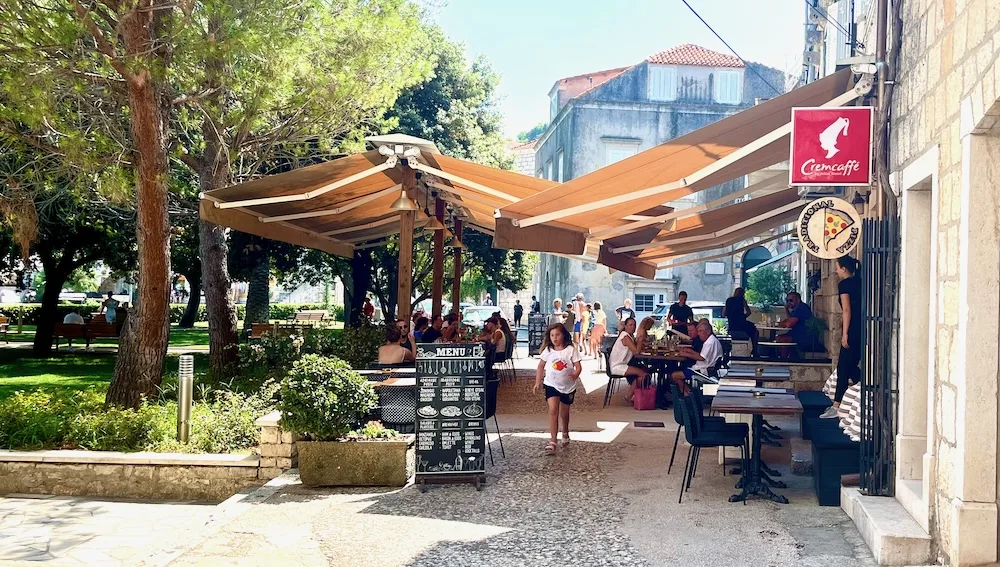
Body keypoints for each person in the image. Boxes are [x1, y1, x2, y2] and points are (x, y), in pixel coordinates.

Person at [822, 257, 863, 418]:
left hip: (852, 328)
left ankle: (837, 404)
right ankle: (863, 385)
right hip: (862, 327)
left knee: (844, 366)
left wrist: (845, 333)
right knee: (850, 365)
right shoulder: (860, 282)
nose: (836, 271)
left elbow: (846, 310)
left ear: (844, 269)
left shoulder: (844, 284)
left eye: (838, 268)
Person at [533, 323, 582, 455]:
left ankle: (565, 432)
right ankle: (553, 441)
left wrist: (576, 373)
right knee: (553, 410)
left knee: (564, 413)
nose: (555, 338)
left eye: (557, 335)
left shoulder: (571, 350)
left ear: (563, 335)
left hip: (568, 386)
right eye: (552, 335)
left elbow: (578, 366)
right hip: (551, 384)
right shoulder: (548, 350)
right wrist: (538, 382)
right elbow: (540, 366)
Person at [670, 321, 723, 396]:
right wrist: (689, 351)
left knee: (674, 375)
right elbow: (701, 355)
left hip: (702, 370)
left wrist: (686, 354)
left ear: (708, 331)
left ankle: (689, 395)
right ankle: (688, 395)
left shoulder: (710, 342)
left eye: (700, 331)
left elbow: (701, 357)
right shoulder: (711, 340)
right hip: (705, 368)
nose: (698, 334)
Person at [610, 317, 650, 403]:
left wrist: (641, 342)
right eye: (630, 325)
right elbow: (636, 352)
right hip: (618, 366)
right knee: (643, 374)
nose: (633, 327)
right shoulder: (625, 337)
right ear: (625, 326)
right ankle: (630, 396)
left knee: (644, 370)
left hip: (624, 363)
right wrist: (640, 340)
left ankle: (633, 395)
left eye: (634, 325)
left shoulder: (629, 336)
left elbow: (638, 348)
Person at [775, 291, 813, 357]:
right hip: (797, 334)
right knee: (779, 337)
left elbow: (789, 324)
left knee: (782, 339)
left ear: (798, 300)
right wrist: (786, 310)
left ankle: (783, 360)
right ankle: (790, 358)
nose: (788, 303)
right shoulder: (797, 309)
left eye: (791, 300)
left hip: (804, 336)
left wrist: (778, 324)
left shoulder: (801, 309)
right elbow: (790, 319)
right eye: (787, 301)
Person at [724, 287, 758, 354]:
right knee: (755, 331)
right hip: (741, 325)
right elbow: (749, 312)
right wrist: (743, 317)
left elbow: (724, 313)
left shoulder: (729, 300)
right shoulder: (742, 301)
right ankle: (755, 350)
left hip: (732, 325)